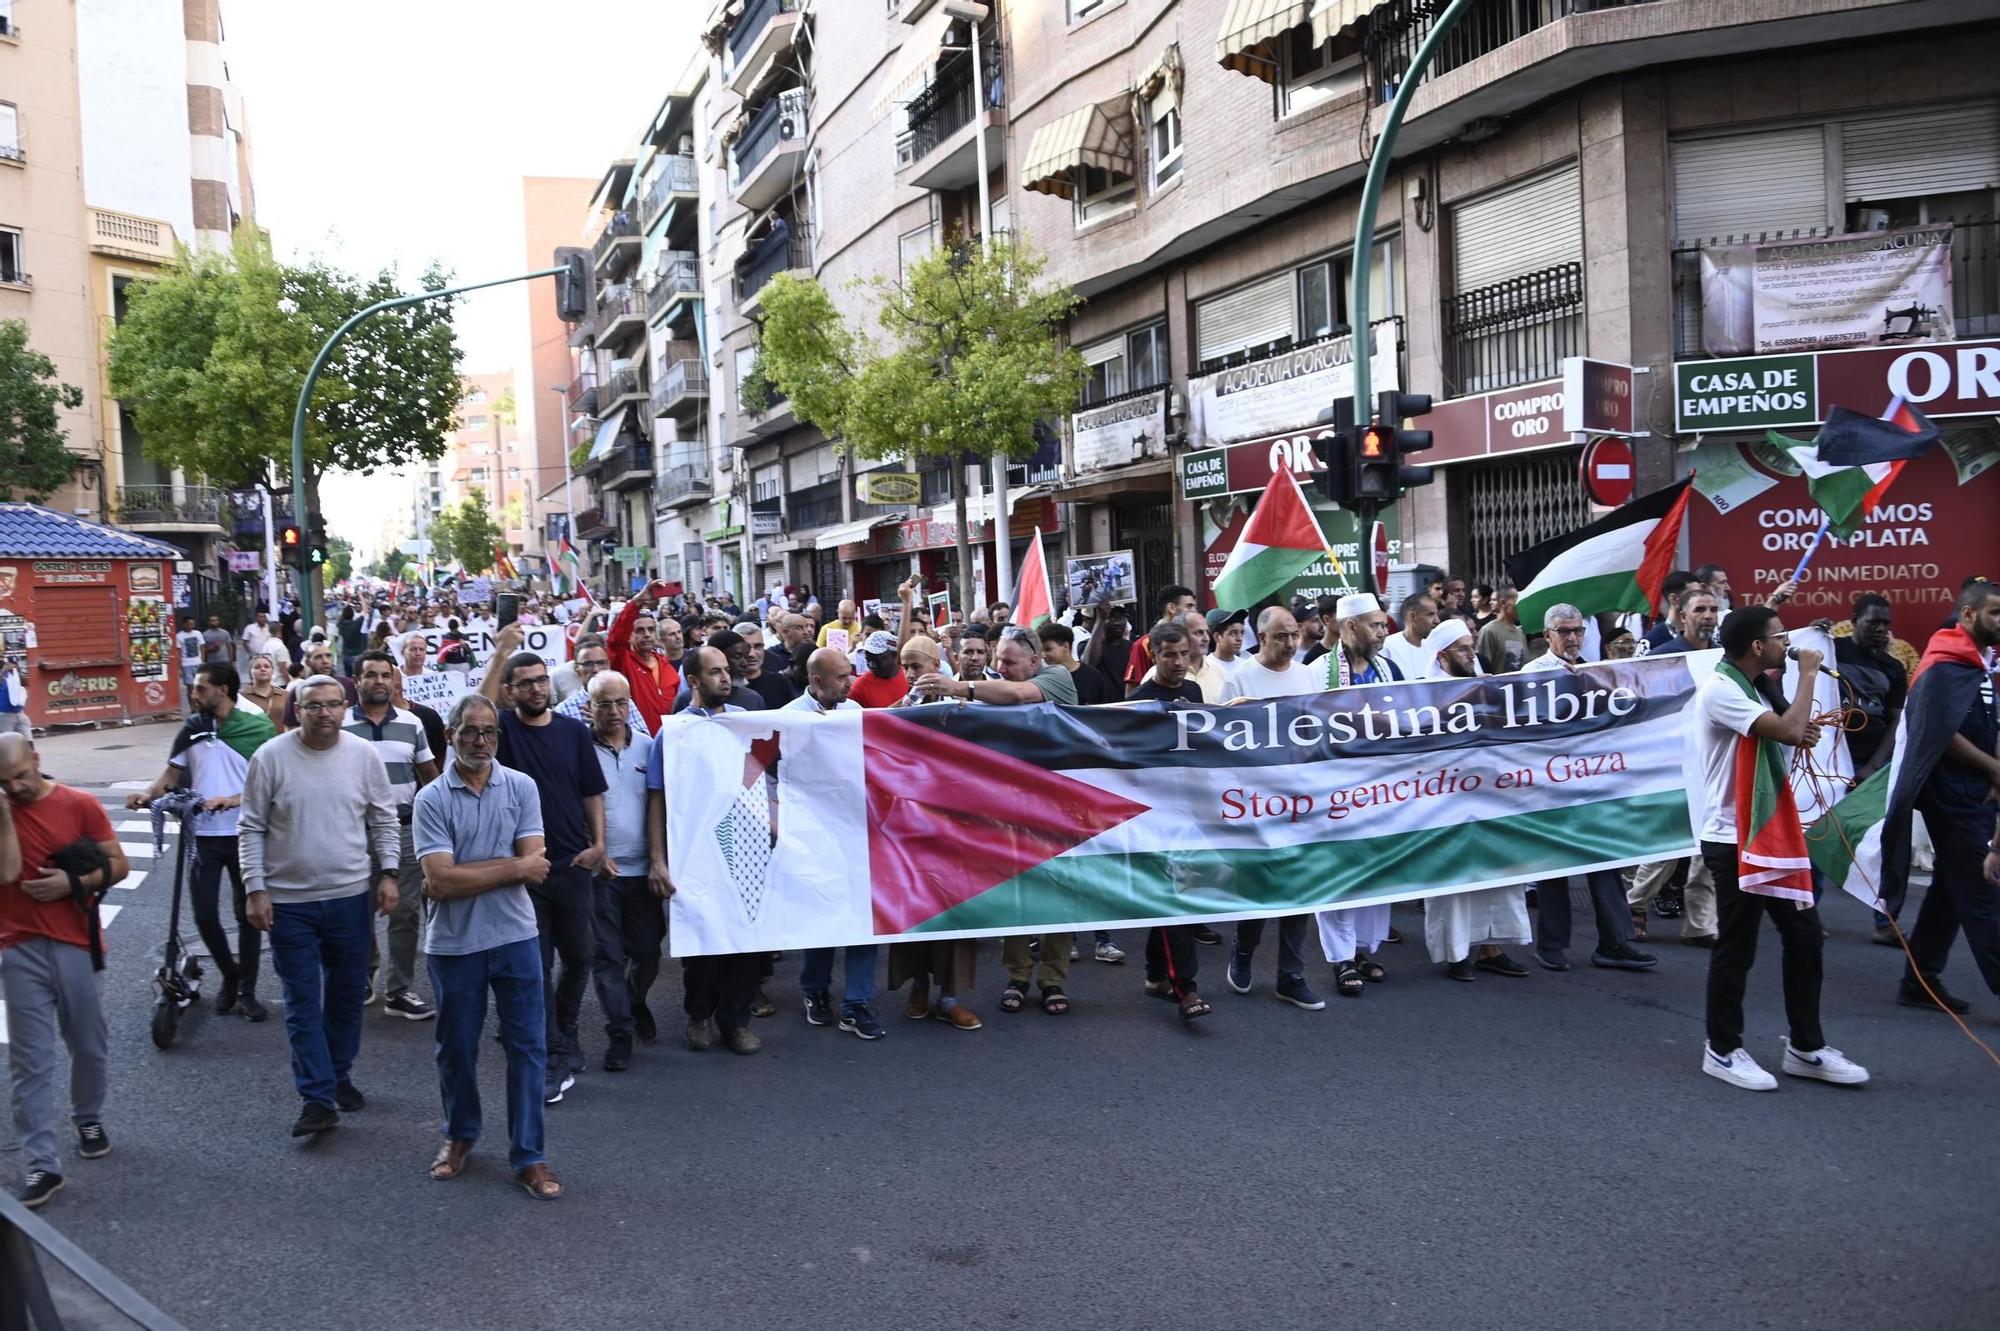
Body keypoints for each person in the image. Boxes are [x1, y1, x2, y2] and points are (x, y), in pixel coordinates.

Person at [1692, 606, 1868, 1090]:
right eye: (1779, 636)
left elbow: (1785, 732)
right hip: (1734, 838)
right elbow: (1787, 729)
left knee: (1805, 937)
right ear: (1757, 646)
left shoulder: (1755, 687)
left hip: (1770, 831)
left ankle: (1805, 1047)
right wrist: (1808, 674)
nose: (1787, 644)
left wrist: (1798, 727)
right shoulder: (1721, 688)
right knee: (1738, 946)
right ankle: (1722, 1048)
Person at [413, 693, 562, 1200]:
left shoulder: (521, 786)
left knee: (528, 1049)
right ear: (450, 735)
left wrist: (463, 874)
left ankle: (530, 1156)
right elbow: (441, 881)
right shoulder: (431, 798)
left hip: (516, 935)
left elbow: (537, 868)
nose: (481, 741)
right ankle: (460, 1135)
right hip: (455, 945)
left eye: (489, 732)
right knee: (457, 1048)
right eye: (470, 731)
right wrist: (512, 867)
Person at [239, 676, 400, 1137]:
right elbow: (250, 827)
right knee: (302, 1001)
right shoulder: (270, 757)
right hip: (289, 903)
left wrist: (389, 873)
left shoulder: (363, 755)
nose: (324, 713)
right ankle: (316, 1096)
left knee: (347, 996)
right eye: (313, 705)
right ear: (297, 709)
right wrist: (255, 888)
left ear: (345, 707)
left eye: (332, 704)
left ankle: (337, 1074)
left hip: (350, 897)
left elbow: (383, 819)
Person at [480, 637, 610, 1104]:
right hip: (525, 870)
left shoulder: (574, 731)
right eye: (525, 683)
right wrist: (500, 654)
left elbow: (591, 791)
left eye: (541, 680)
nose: (537, 689)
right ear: (510, 691)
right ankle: (552, 1051)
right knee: (535, 965)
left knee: (581, 957)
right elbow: (477, 707)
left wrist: (599, 845)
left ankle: (565, 1027)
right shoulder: (502, 733)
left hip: (573, 864)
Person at [0, 734, 127, 1208]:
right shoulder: (3, 811)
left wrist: (74, 882)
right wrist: (4, 814)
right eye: (4, 782)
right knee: (29, 1061)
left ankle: (88, 1117)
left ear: (37, 759)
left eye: (20, 776)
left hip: (77, 943)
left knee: (89, 1044)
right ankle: (42, 1163)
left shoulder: (80, 804)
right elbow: (6, 873)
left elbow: (118, 864)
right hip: (20, 947)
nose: (15, 788)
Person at [127, 662, 277, 1021]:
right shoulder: (192, 728)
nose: (193, 695)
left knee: (249, 915)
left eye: (200, 688)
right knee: (205, 915)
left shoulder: (258, 728)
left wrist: (234, 799)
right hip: (202, 837)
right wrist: (147, 794)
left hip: (245, 834)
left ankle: (247, 992)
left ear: (222, 690)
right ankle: (230, 974)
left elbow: (271, 785)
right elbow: (171, 775)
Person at [1518, 606, 1659, 973]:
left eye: (1578, 631)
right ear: (1547, 635)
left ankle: (1614, 942)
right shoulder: (1532, 675)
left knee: (1606, 861)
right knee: (1554, 868)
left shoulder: (1594, 671)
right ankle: (1552, 945)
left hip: (1592, 784)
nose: (1573, 638)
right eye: (1564, 631)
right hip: (1550, 786)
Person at [646, 646, 767, 1053]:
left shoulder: (744, 722)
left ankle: (736, 1022)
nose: (726, 678)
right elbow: (657, 797)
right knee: (703, 941)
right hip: (695, 853)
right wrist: (658, 860)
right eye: (715, 672)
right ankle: (699, 1015)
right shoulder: (674, 732)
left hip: (745, 850)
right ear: (694, 680)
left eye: (727, 670)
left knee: (746, 940)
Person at [1891, 582, 2000, 1014]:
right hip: (1951, 795)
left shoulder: (1979, 663)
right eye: (1995, 613)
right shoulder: (1943, 663)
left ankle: (1919, 980)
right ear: (1969, 615)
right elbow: (1939, 732)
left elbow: (1990, 723)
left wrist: (1994, 772)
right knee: (1982, 890)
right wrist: (1993, 767)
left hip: (1976, 791)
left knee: (1950, 890)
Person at [1220, 608, 1325, 1010]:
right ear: (1262, 638)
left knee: (1300, 886)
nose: (1291, 643)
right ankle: (1243, 952)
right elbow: (1220, 740)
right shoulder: (1239, 679)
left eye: (1294, 635)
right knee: (1259, 885)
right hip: (1257, 802)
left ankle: (1290, 975)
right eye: (1282, 636)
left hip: (1301, 800)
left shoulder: (1309, 676)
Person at [1417, 623, 1532, 981]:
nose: (1472, 655)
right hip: (1447, 803)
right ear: (1442, 656)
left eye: (1472, 647)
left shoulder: (1486, 686)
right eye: (1463, 649)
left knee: (1496, 873)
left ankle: (1491, 948)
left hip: (1490, 797)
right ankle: (1457, 953)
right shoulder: (1423, 696)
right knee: (1455, 880)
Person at [784, 648, 885, 1040]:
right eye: (842, 677)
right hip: (813, 840)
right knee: (821, 918)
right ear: (817, 681)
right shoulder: (789, 718)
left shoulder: (853, 711)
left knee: (863, 920)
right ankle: (815, 990)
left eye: (850, 674)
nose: (850, 682)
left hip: (857, 835)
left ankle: (856, 1004)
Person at [344, 651, 439, 1021]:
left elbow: (429, 776)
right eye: (371, 675)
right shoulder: (340, 724)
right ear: (357, 680)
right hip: (355, 832)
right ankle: (364, 973)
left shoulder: (413, 723)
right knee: (358, 910)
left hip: (404, 831)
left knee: (406, 913)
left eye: (385, 675)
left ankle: (399, 991)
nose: (379, 681)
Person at [582, 670, 663, 1070]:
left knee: (648, 953)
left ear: (630, 704)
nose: (614, 711)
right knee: (608, 957)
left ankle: (635, 998)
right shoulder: (579, 750)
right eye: (604, 704)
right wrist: (593, 850)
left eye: (620, 702)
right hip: (600, 875)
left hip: (644, 873)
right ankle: (620, 1033)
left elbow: (663, 805)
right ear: (589, 707)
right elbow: (569, 806)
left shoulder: (649, 748)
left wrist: (660, 860)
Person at [606, 586, 681, 734]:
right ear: (629, 635)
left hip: (670, 741)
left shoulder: (666, 665)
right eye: (640, 630)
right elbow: (615, 641)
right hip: (640, 740)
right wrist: (637, 602)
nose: (647, 634)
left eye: (650, 629)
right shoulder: (624, 663)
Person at [552, 636, 650, 736]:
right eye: (588, 664)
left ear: (608, 665)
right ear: (576, 668)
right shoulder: (564, 710)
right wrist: (594, 729)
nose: (596, 669)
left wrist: (612, 725)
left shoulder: (623, 700)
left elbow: (645, 737)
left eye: (601, 663)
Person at [1122, 585, 1197, 696]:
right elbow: (1132, 690)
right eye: (1189, 606)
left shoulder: (1197, 640)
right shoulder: (1143, 644)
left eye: (1184, 653)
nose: (1194, 611)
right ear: (1171, 608)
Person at [282, 642, 358, 728]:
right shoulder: (297, 691)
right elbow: (291, 727)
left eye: (328, 656)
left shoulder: (347, 685)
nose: (325, 661)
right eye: (318, 657)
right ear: (307, 662)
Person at [1039, 623, 1116, 705]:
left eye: (1048, 649)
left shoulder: (1093, 677)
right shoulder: (1042, 678)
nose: (1043, 655)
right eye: (1041, 650)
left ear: (1065, 646)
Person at [736, 623, 798, 709]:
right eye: (746, 647)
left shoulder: (780, 682)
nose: (752, 654)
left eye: (758, 646)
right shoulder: (727, 686)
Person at [1381, 593, 1440, 682]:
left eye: (1436, 614)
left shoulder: (1433, 647)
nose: (1437, 620)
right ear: (1412, 616)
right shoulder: (1388, 646)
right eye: (1430, 614)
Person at [849, 631, 911, 709]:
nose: (872, 666)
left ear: (894, 656)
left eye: (877, 660)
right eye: (868, 660)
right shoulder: (860, 687)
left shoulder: (911, 678)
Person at [1476, 587, 1526, 674]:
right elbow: (1482, 668)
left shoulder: (1520, 633)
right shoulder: (1489, 631)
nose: (1521, 606)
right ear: (1503, 603)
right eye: (1517, 601)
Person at [240, 652, 287, 728]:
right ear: (250, 673)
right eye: (257, 667)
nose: (263, 669)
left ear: (272, 671)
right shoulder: (241, 696)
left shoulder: (285, 695)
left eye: (267, 667)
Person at [177, 616, 205, 696]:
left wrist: (202, 660)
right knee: (190, 686)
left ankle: (200, 702)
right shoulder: (179, 636)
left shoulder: (198, 633)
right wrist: (179, 668)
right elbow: (178, 652)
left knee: (200, 685)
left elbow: (202, 647)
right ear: (184, 624)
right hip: (186, 664)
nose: (192, 626)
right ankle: (192, 704)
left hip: (198, 663)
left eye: (193, 624)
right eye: (189, 624)